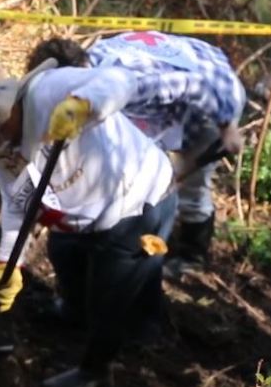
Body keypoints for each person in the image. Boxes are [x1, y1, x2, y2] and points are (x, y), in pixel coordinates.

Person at [0, 61, 176, 387]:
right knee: (64, 253)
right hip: (80, 211)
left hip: (136, 200)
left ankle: (94, 372)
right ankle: (83, 313)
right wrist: (9, 262)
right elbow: (18, 201)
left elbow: (122, 80)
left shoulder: (53, 90)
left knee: (109, 296)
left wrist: (84, 105)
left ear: (2, 114)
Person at [28, 32, 245, 277]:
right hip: (179, 79)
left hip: (214, 96)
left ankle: (192, 257)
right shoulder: (89, 75)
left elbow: (195, 86)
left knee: (190, 187)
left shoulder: (128, 83)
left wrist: (227, 126)